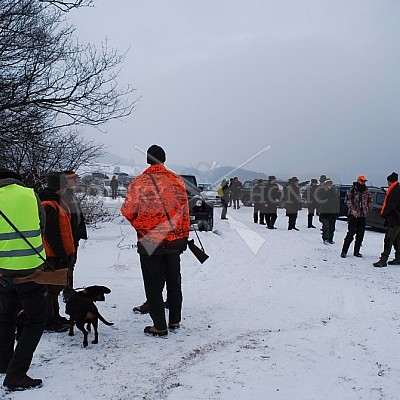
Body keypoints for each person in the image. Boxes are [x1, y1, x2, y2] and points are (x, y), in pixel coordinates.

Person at [121, 145, 190, 336]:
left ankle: (159, 326)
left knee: (153, 283)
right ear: (164, 159)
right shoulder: (177, 181)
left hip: (150, 240)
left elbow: (127, 210)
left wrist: (141, 225)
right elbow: (184, 212)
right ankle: (175, 320)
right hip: (174, 240)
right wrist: (183, 236)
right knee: (174, 281)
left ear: (148, 160)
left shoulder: (139, 182)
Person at [0, 168, 47, 391]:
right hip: (30, 270)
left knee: (5, 317)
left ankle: (3, 362)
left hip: (2, 271)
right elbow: (42, 226)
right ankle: (16, 374)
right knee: (36, 319)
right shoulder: (30, 194)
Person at [39, 172, 75, 332]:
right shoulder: (49, 205)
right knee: (50, 289)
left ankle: (55, 316)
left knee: (54, 288)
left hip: (58, 254)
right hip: (52, 256)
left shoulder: (56, 203)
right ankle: (48, 320)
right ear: (59, 187)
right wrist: (62, 257)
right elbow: (53, 235)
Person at [62, 171, 88, 294]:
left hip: (74, 237)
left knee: (71, 263)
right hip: (68, 237)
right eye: (73, 179)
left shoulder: (71, 195)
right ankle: (67, 290)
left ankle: (68, 288)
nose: (75, 182)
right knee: (67, 264)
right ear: (65, 181)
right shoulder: (62, 197)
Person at [340, 175, 373, 258]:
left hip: (362, 216)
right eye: (361, 181)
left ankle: (356, 251)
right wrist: (353, 210)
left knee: (360, 235)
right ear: (358, 181)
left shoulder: (367, 191)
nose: (363, 182)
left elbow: (370, 200)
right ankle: (344, 251)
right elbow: (347, 200)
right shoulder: (352, 190)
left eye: (364, 181)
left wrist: (368, 208)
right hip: (353, 216)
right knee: (350, 234)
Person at [373, 172, 400, 268]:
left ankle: (383, 260)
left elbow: (390, 205)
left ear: (390, 181)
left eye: (388, 181)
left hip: (394, 219)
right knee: (397, 240)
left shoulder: (395, 191)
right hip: (397, 220)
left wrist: (384, 214)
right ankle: (398, 258)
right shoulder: (397, 189)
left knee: (388, 239)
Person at [318, 179, 340, 244]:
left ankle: (330, 239)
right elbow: (321, 199)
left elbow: (336, 201)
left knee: (332, 226)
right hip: (324, 211)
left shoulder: (334, 192)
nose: (329, 185)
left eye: (330, 184)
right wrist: (327, 191)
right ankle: (325, 238)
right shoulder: (322, 191)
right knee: (326, 226)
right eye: (328, 184)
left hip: (332, 212)